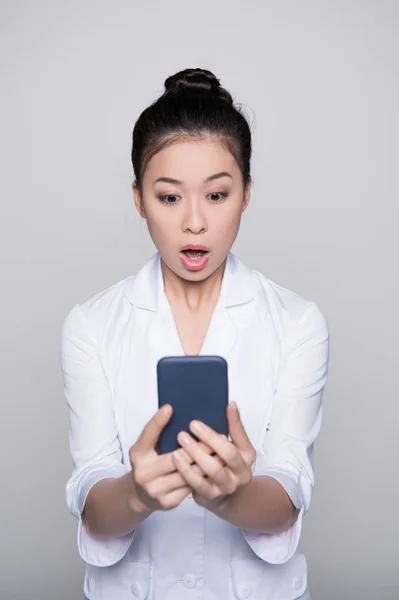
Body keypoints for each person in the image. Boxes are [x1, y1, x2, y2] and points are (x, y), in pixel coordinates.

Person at [61, 67, 330, 600]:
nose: (194, 224)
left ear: (246, 194)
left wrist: (233, 497)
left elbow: (289, 489)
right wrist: (137, 493)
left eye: (216, 195)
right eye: (168, 197)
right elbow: (93, 501)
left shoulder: (299, 322)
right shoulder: (89, 325)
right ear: (138, 199)